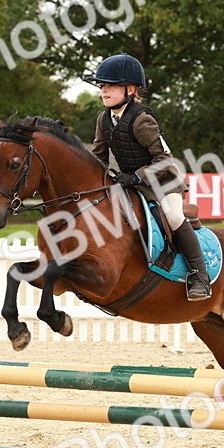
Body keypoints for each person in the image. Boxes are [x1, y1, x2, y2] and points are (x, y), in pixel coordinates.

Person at [85, 54, 212, 301]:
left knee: (174, 216)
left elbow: (165, 160)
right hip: (134, 184)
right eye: (102, 85)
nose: (104, 90)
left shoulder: (142, 119)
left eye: (110, 85)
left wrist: (135, 177)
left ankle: (200, 275)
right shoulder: (104, 119)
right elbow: (98, 156)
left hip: (164, 183)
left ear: (130, 89)